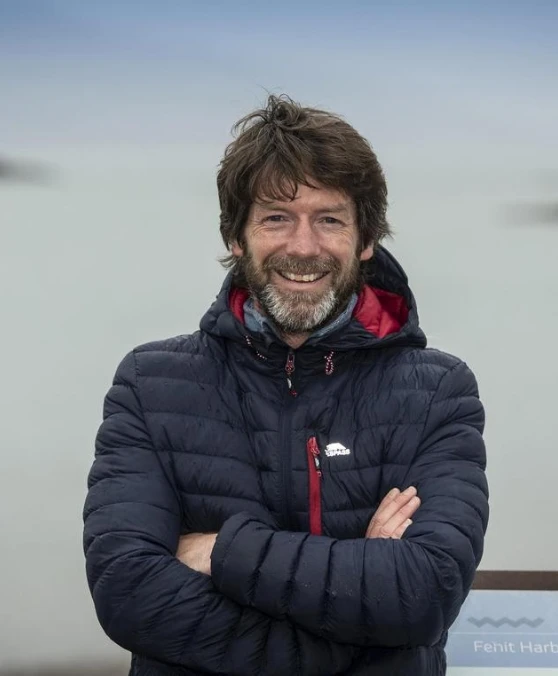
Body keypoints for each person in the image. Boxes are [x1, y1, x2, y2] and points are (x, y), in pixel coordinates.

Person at [83, 94, 489, 676]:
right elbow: (129, 595)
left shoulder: (438, 393)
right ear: (236, 237)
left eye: (330, 219)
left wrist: (221, 550)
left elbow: (423, 596)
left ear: (366, 240)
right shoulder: (150, 385)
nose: (303, 246)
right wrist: (360, 624)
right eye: (276, 216)